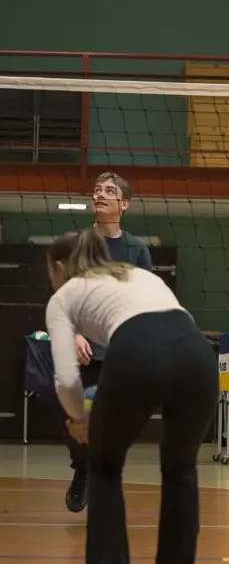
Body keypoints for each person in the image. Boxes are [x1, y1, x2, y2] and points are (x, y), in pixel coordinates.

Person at [44, 228, 218, 564]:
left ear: (58, 267)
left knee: (104, 465)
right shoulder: (141, 275)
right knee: (181, 469)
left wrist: (78, 420)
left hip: (138, 353)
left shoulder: (62, 297)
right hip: (198, 356)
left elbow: (67, 379)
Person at [65, 172, 153, 515]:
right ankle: (82, 471)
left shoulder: (136, 249)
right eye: (97, 190)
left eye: (109, 191)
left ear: (124, 204)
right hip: (85, 353)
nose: (100, 194)